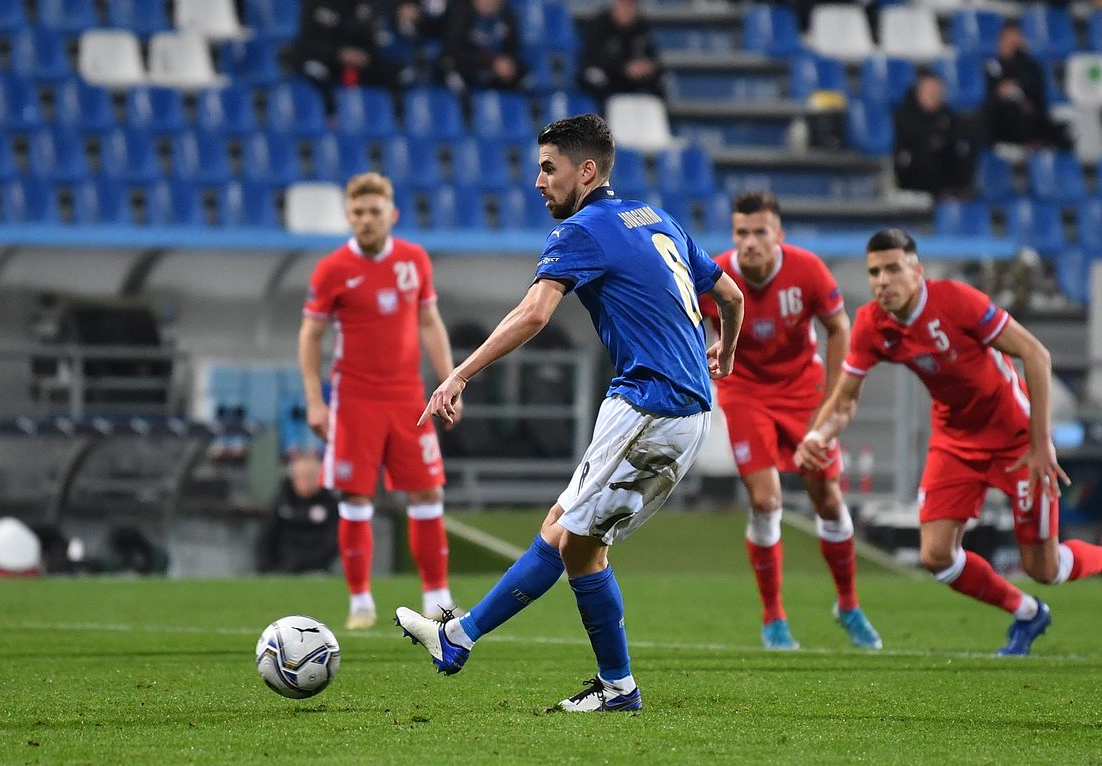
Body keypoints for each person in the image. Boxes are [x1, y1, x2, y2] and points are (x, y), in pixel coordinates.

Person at [394, 114, 745, 711]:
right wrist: (725, 352)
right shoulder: (657, 217)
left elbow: (533, 314)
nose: (538, 181)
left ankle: (463, 642)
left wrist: (457, 375)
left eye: (548, 168)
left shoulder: (583, 230)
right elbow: (731, 296)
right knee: (572, 536)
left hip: (647, 406)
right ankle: (597, 680)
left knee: (569, 539)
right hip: (677, 407)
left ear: (586, 170)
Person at [794, 229, 1102, 656]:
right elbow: (844, 402)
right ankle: (1028, 612)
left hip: (1016, 440)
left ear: (917, 272)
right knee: (937, 555)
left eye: (893, 269)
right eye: (874, 272)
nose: (883, 281)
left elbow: (1035, 354)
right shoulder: (871, 324)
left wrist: (1040, 443)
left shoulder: (957, 301)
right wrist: (817, 434)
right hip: (955, 441)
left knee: (1043, 567)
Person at [698, 191, 881, 651]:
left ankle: (848, 603)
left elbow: (840, 326)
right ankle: (773, 618)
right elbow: (683, 322)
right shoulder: (714, 274)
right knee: (765, 500)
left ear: (778, 235)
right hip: (744, 392)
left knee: (827, 497)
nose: (750, 242)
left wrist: (835, 400)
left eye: (760, 232)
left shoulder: (807, 270)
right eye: (742, 232)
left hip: (804, 393)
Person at [299, 171, 462, 630]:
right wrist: (315, 401)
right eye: (358, 213)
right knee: (355, 496)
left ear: (392, 215)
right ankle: (360, 603)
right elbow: (310, 335)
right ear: (347, 216)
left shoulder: (414, 260)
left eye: (374, 212)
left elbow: (429, 322)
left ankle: (437, 597)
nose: (366, 220)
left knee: (428, 490)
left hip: (408, 396)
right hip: (354, 399)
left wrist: (450, 381)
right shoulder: (332, 269)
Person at [290, 0, 402, 116]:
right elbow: (308, 43)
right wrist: (338, 54)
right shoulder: (315, 4)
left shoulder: (365, 6)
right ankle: (329, 117)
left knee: (393, 72)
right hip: (324, 60)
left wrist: (362, 55)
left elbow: (369, 37)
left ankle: (394, 120)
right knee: (318, 73)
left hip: (357, 61)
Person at [984, 22, 1070, 149]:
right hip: (1003, 117)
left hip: (1031, 113)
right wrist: (1000, 91)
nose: (1011, 45)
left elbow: (1037, 88)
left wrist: (1023, 60)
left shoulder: (1029, 66)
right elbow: (987, 95)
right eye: (1008, 41)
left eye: (1015, 41)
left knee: (1056, 127)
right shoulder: (991, 66)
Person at [892, 72, 975, 199]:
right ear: (918, 91)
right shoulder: (904, 114)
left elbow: (957, 136)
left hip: (943, 171)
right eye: (929, 90)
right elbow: (909, 141)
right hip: (913, 172)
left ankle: (958, 191)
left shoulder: (947, 115)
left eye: (937, 91)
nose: (933, 94)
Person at [255, 452, 340, 574]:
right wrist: (267, 567)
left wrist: (315, 563)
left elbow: (333, 541)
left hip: (316, 568)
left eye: (311, 476)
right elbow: (266, 536)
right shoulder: (282, 500)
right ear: (294, 477)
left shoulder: (329, 502)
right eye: (302, 476)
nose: (307, 481)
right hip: (282, 565)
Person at [577, 0, 665, 107]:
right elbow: (594, 57)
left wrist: (647, 66)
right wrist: (624, 68)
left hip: (632, 76)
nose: (627, 10)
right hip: (608, 73)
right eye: (624, 6)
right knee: (595, 79)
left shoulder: (641, 25)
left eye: (631, 6)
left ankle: (654, 119)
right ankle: (602, 118)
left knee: (661, 80)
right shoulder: (600, 23)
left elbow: (652, 55)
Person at [439, 0, 526, 93]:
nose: (491, 2)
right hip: (466, 70)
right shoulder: (461, 14)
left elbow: (512, 50)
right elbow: (454, 51)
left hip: (497, 74)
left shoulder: (508, 16)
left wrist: (507, 64)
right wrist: (492, 62)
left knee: (521, 77)